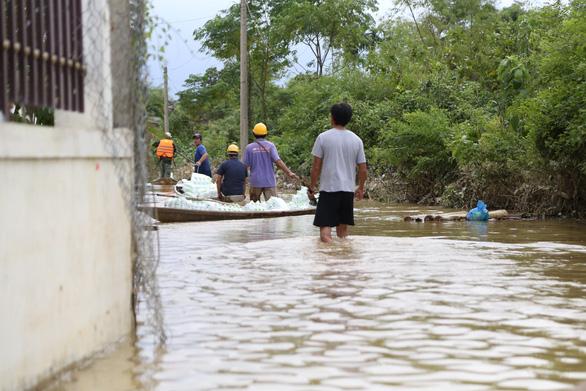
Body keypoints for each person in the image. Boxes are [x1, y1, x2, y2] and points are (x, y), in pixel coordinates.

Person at [308, 103, 367, 243]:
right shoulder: (357, 140)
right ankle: (343, 257)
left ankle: (332, 255)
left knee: (325, 233)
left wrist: (311, 186)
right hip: (347, 191)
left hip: (329, 190)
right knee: (343, 234)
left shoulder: (323, 137)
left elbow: (316, 167)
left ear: (332, 118)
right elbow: (363, 169)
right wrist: (360, 188)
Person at [243, 123, 299, 202]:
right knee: (273, 206)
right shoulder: (271, 146)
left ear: (254, 134)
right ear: (266, 134)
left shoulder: (249, 147)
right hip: (269, 181)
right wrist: (289, 172)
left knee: (254, 207)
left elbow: (245, 165)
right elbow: (278, 161)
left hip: (255, 181)